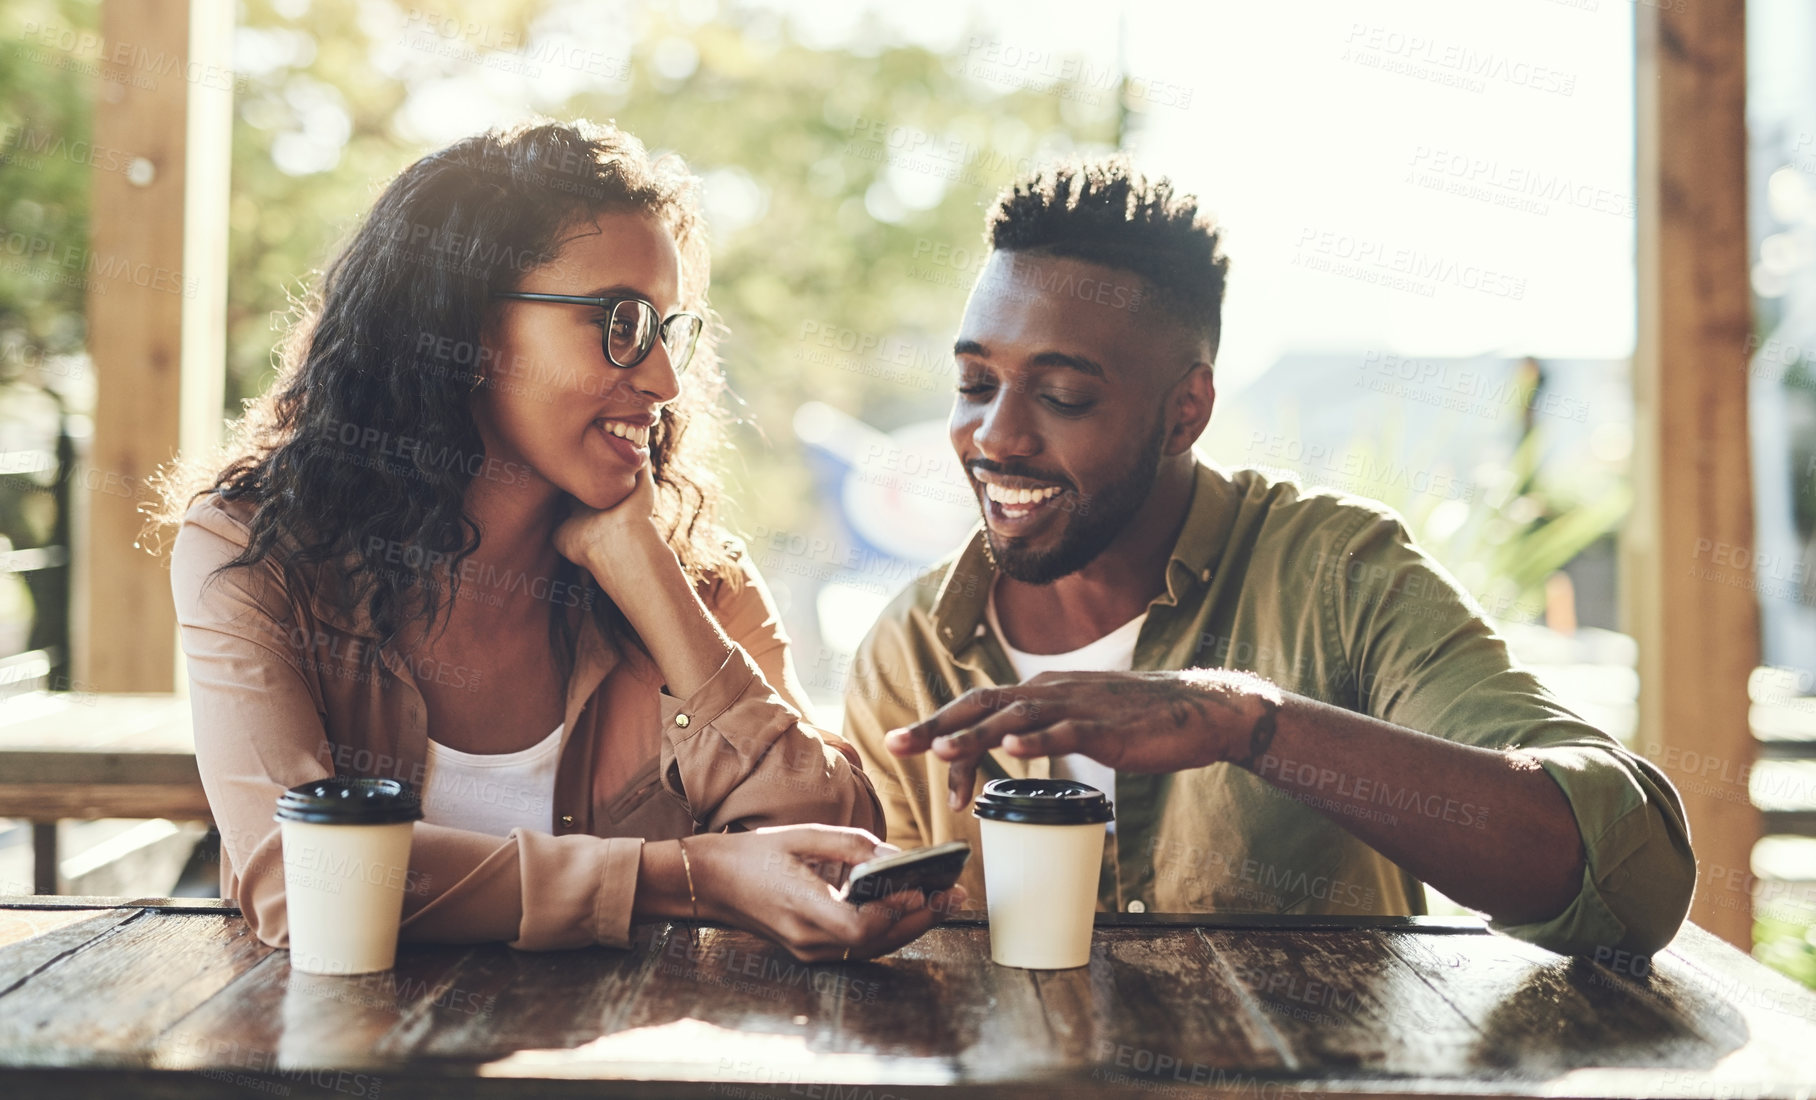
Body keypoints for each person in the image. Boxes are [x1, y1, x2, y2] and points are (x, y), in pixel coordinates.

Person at [844, 156, 1694, 957]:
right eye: (975, 385)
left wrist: (1243, 723)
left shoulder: (1341, 574)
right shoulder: (912, 651)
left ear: (1186, 412)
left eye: (1063, 395)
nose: (996, 436)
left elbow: (1636, 878)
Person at [155, 120, 958, 963]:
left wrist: (644, 573)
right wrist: (688, 877)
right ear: (464, 333)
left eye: (665, 330)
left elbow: (835, 847)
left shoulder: (691, 572)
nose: (664, 379)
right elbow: (305, 880)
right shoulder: (256, 554)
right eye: (620, 321)